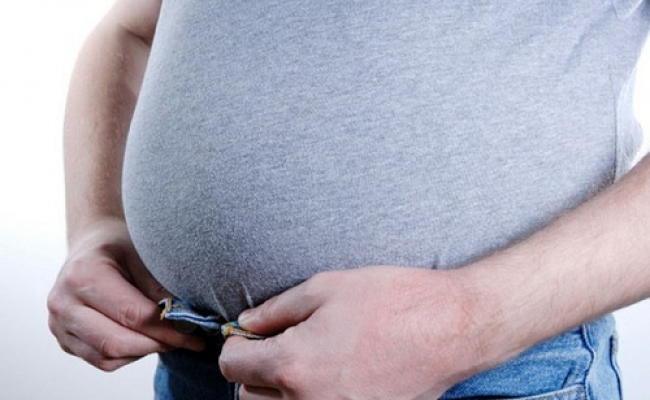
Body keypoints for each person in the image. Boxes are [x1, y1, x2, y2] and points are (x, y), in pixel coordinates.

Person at [48, 0, 650, 399]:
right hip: (197, 362)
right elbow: (132, 30)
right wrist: (97, 224)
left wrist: (463, 326)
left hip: (480, 378)